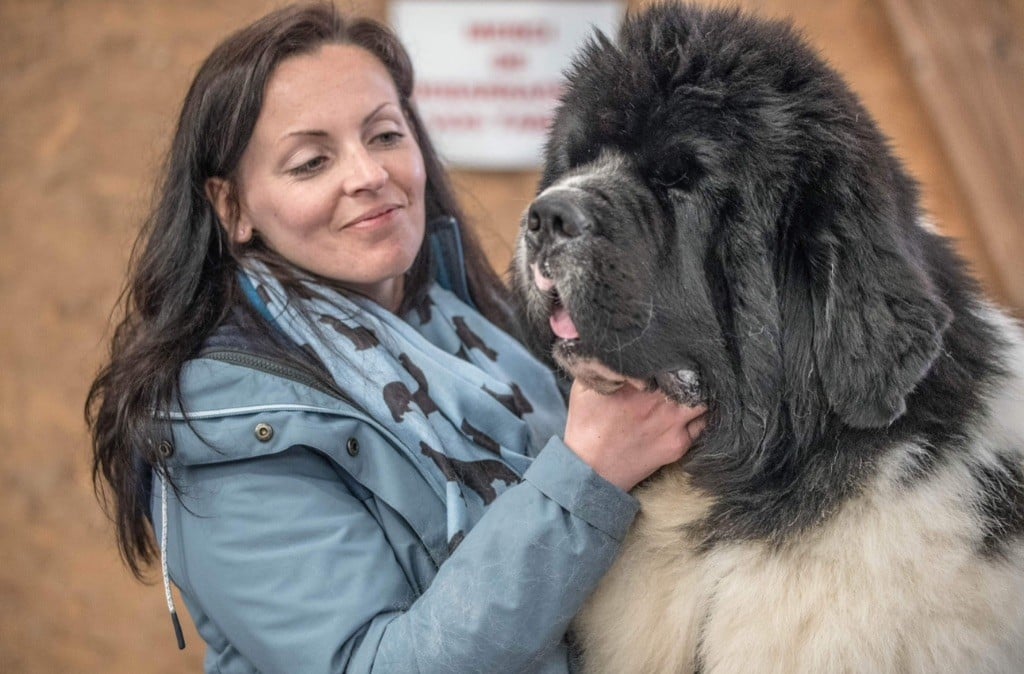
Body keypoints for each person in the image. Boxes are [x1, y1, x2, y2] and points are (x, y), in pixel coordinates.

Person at [86, 4, 707, 672]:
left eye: (384, 135)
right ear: (232, 207)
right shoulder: (229, 425)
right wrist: (589, 474)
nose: (368, 174)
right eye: (311, 162)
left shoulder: (473, 320)